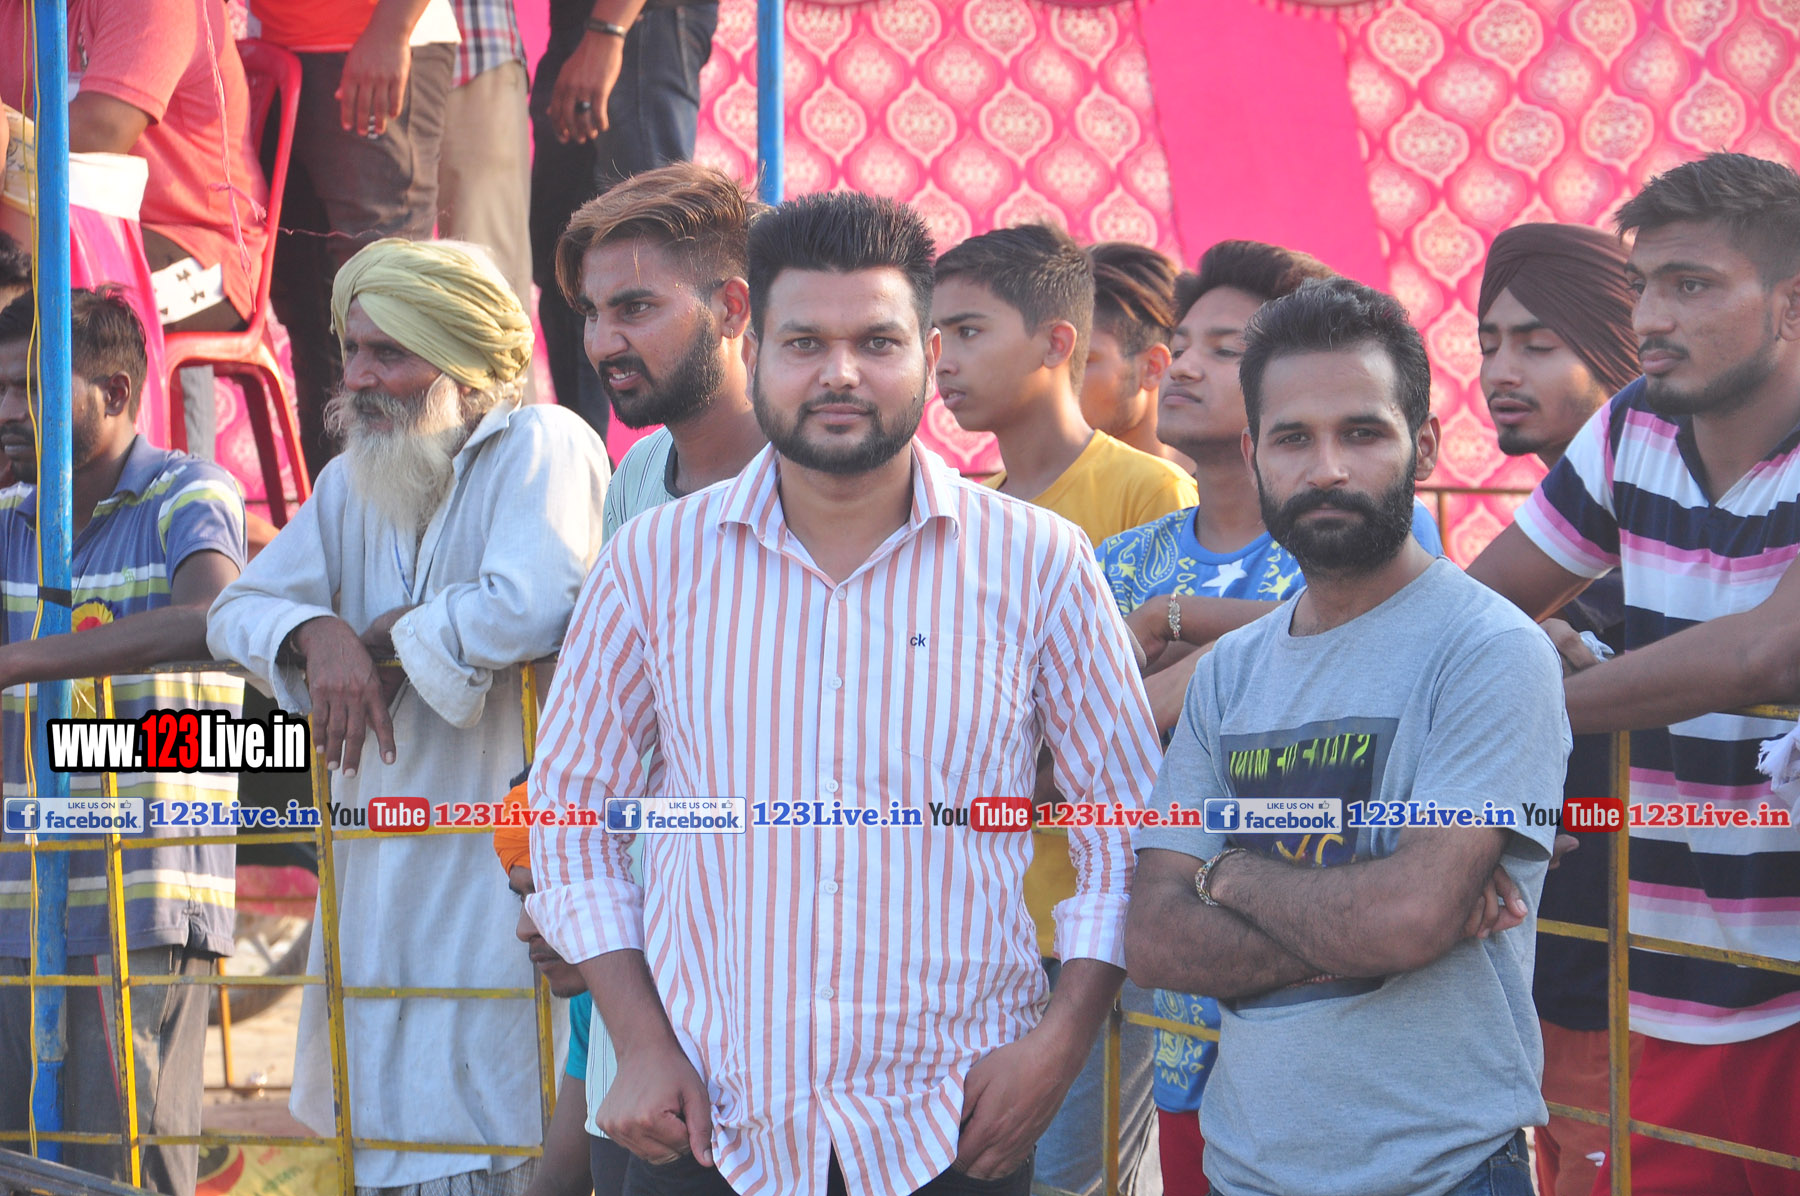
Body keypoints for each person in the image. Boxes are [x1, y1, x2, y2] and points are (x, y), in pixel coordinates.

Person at [525, 190, 1161, 1196]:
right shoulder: (651, 562)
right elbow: (569, 815)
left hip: (954, 1125)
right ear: (754, 348)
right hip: (708, 1120)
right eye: (804, 342)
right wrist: (637, 1040)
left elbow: (1124, 824)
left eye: (876, 341)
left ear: (929, 356)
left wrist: (1060, 1041)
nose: (839, 372)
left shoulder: (1039, 563)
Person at [1127, 277, 1569, 1196]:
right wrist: (1390, 921)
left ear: (1424, 446)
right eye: (1293, 438)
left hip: (1442, 1172)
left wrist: (1230, 875)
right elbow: (1159, 941)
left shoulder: (1487, 650)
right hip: (1246, 1169)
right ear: (1254, 453)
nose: (1326, 468)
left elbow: (1409, 918)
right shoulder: (1231, 671)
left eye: (1362, 433)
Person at [206, 238, 612, 1196]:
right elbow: (234, 611)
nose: (358, 377)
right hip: (379, 880)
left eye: (388, 352)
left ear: (463, 365)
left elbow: (535, 603)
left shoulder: (542, 442)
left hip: (502, 874)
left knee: (505, 1124)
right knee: (391, 1120)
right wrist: (315, 632)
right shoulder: (352, 482)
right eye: (351, 350)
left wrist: (389, 631)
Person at [1468, 152, 1800, 1196]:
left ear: (1792, 304)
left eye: (1691, 284)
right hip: (1673, 970)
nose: (1652, 315)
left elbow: (1765, 648)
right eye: (1645, 282)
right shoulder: (1632, 425)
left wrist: (1523, 711)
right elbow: (1473, 611)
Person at [1095, 240, 1430, 1196]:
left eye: (1226, 347)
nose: (1184, 366)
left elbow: (1380, 639)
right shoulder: (1125, 559)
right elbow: (1068, 750)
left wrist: (1178, 633)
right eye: (1182, 343)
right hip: (1179, 985)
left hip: (1343, 1005)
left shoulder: (1360, 538)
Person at [930, 223, 1195, 1196]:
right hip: (979, 927)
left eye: (967, 331)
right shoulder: (970, 510)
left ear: (1056, 341)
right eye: (934, 336)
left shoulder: (1147, 489)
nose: (942, 361)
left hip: (1095, 924)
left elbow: (1163, 707)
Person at [0, 288, 247, 1196]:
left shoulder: (188, 493)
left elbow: (211, 617)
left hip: (137, 902)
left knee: (123, 1175)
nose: (6, 411)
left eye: (28, 391)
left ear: (113, 391)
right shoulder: (10, 518)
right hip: (16, 901)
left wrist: (23, 660)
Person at [1475, 221, 1643, 1196]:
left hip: (1642, 985)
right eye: (1489, 342)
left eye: (1538, 343)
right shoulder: (1528, 562)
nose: (1502, 369)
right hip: (1539, 976)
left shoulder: (1662, 557)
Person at [251, 0, 461, 475]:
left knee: (388, 304)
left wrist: (391, 29)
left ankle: (413, 501)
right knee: (311, 308)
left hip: (373, 42)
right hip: (279, 46)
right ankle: (337, 504)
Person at [531, 0, 719, 437]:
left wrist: (608, 31)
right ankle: (589, 460)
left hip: (636, 24)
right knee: (567, 270)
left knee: (655, 257)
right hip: (587, 26)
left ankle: (686, 459)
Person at [553, 161, 766, 536]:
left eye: (635, 308)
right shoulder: (634, 476)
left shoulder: (817, 473)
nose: (602, 345)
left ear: (731, 308)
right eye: (591, 313)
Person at [494, 782, 630, 1196]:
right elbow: (560, 1181)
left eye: (546, 894)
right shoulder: (590, 1005)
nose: (524, 929)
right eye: (522, 898)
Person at [440, 0, 535, 401]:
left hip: (472, 51)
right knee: (383, 287)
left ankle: (510, 436)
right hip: (342, 50)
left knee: (489, 284)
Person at [1083, 241, 1190, 472]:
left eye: (1081, 362)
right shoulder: (1024, 487)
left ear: (1153, 367)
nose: (1058, 378)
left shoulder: (1233, 486)